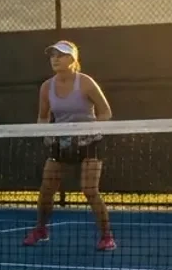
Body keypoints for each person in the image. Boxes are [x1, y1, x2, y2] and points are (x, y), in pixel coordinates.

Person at [23, 39, 116, 251]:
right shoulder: (46, 87)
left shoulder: (86, 82)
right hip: (61, 142)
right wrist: (47, 135)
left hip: (89, 142)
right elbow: (43, 117)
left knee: (89, 190)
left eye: (60, 55)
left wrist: (90, 132)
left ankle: (107, 236)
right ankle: (41, 229)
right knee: (47, 188)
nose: (55, 59)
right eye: (52, 55)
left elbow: (105, 112)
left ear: (72, 59)